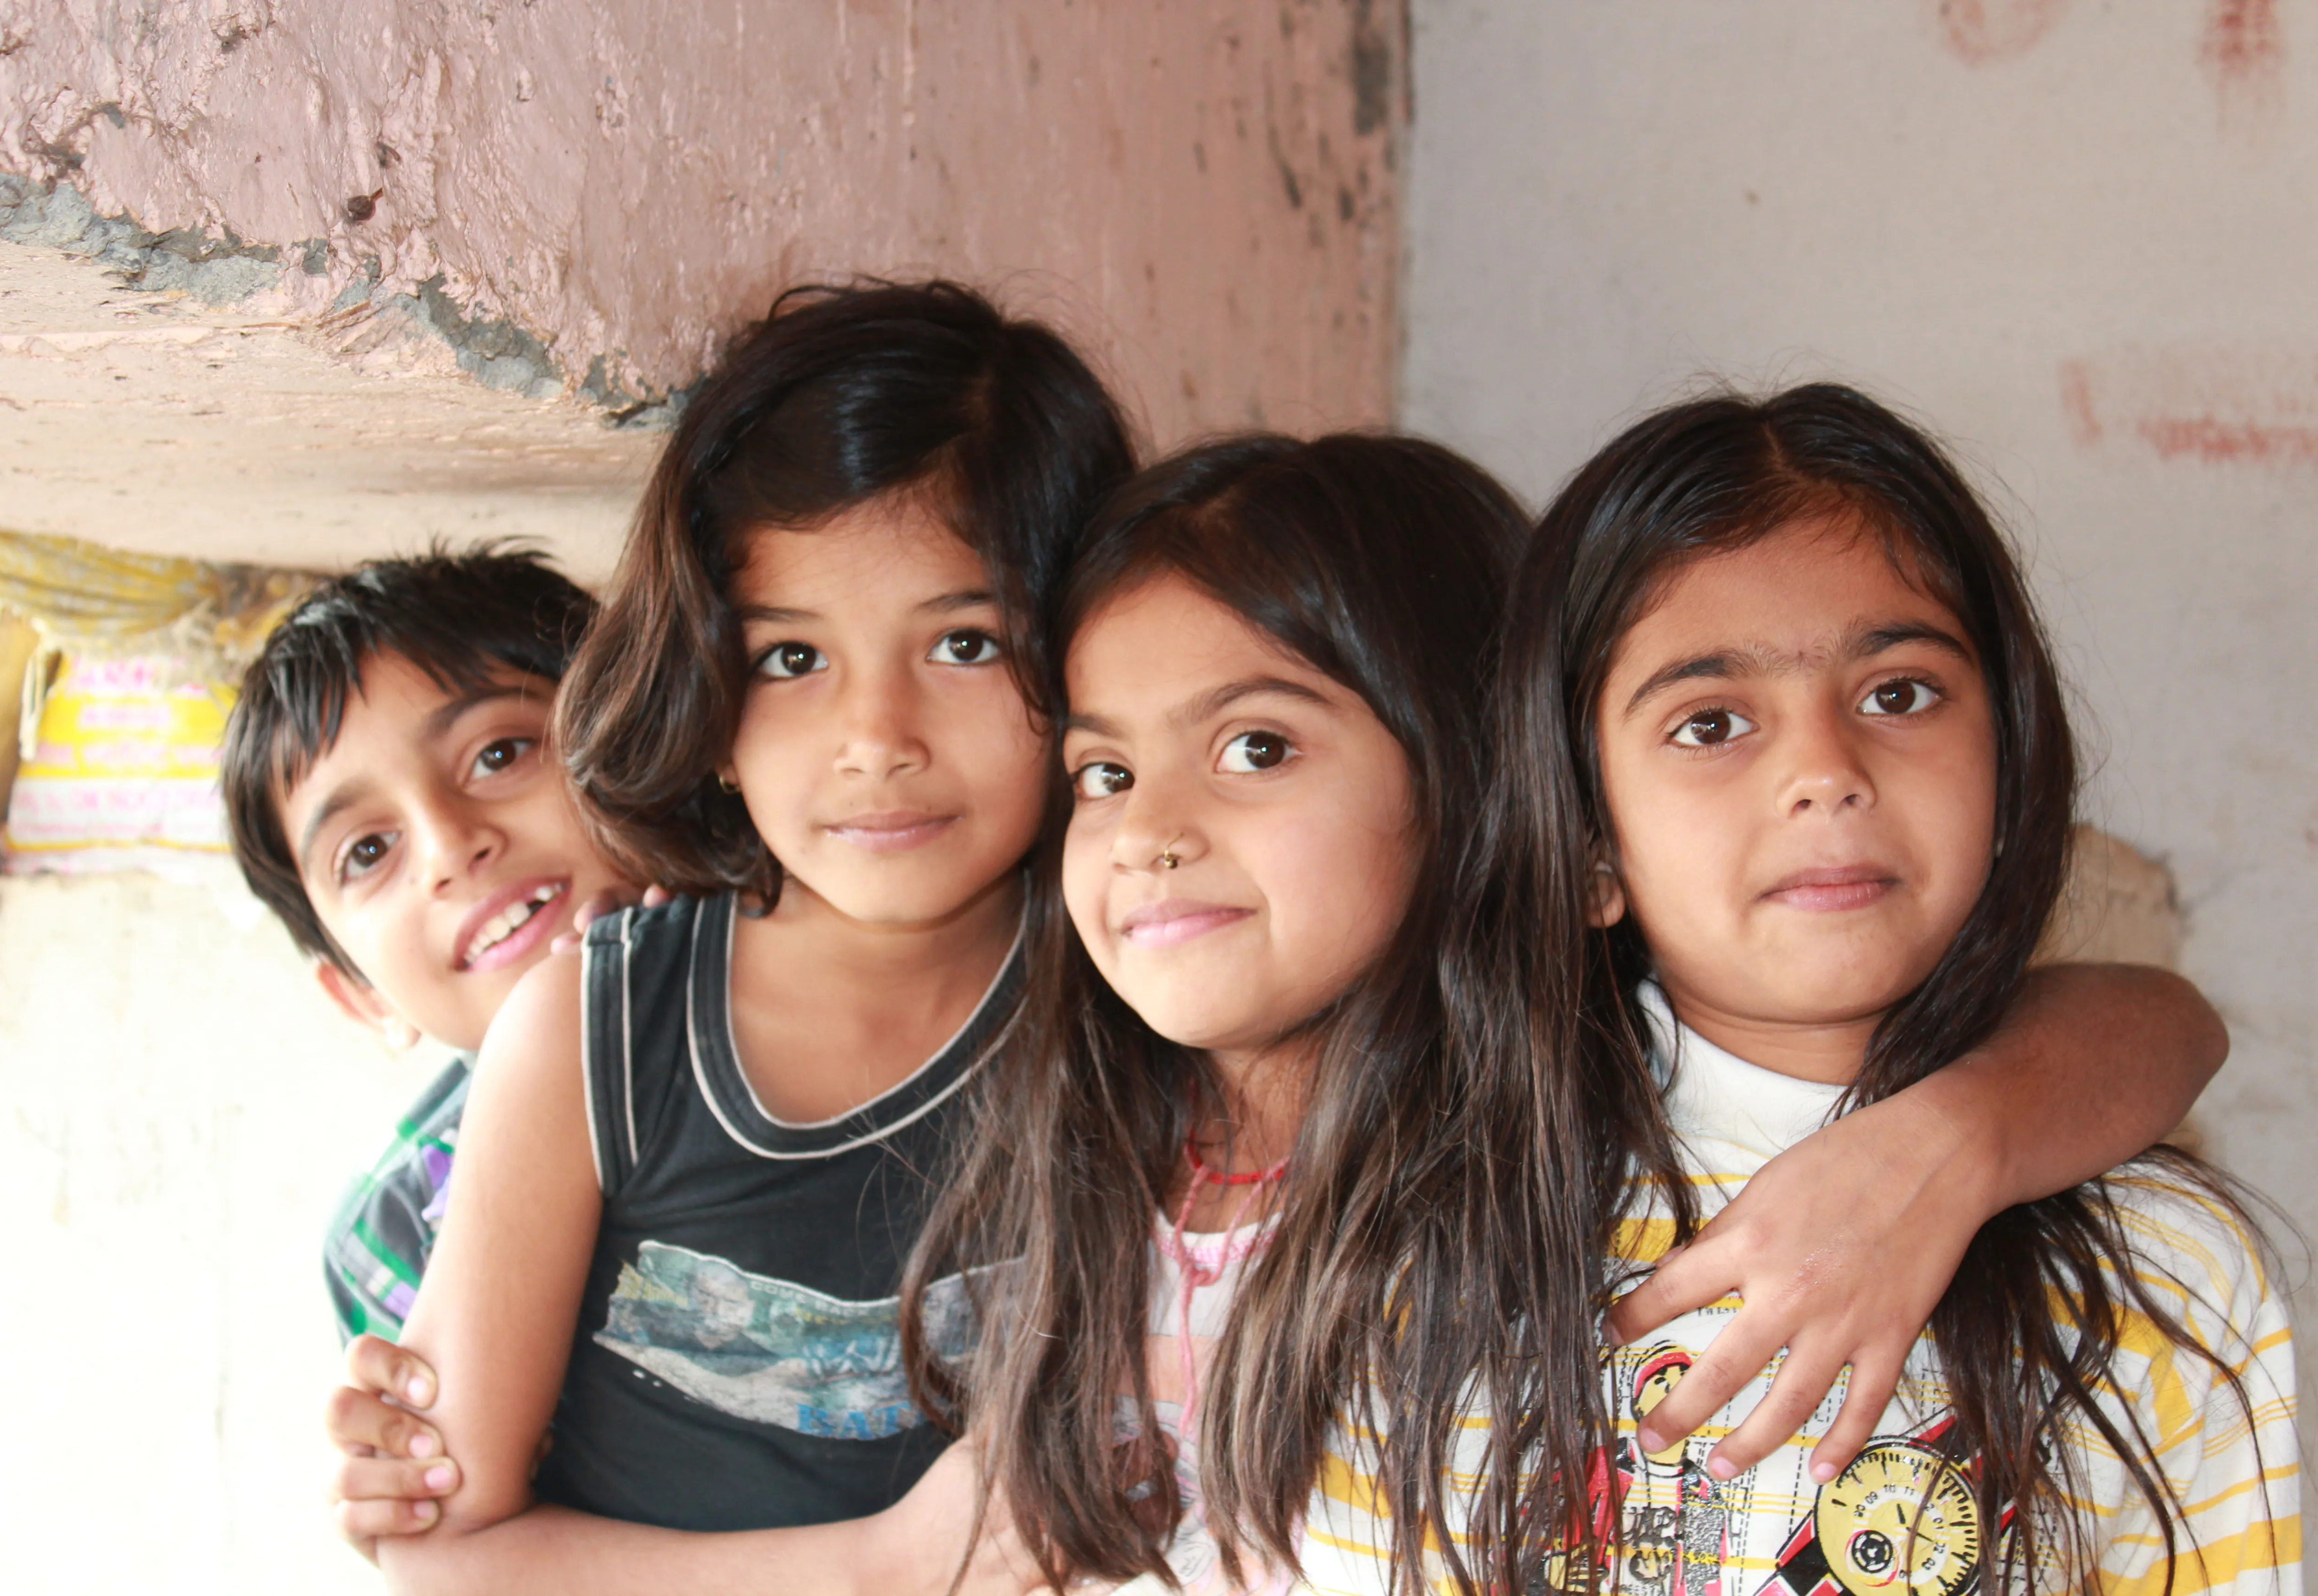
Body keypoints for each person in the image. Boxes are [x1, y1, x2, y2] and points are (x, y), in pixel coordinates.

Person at [903, 430, 2238, 1596]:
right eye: (1103, 773)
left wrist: (1956, 1137)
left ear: (1494, 791)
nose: (1151, 832)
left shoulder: (1486, 1160)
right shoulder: (1188, 1163)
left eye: (1256, 748)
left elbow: (2152, 1026)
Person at [1302, 386, 2296, 1596]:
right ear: (1589, 847)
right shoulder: (1434, 1232)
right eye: (1712, 722)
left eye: (1897, 694)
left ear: (2011, 767)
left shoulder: (2166, 1266)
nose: (1825, 771)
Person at [354, 281, 1135, 1594]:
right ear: (707, 696)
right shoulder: (596, 1035)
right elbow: (441, 1554)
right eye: (791, 659)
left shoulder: (1137, 1004)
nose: (877, 739)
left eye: (964, 642)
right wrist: (878, 1572)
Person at [220, 549, 634, 1346]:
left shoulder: (850, 987)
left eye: (498, 756)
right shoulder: (393, 1240)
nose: (450, 846)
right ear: (363, 996)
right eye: (369, 852)